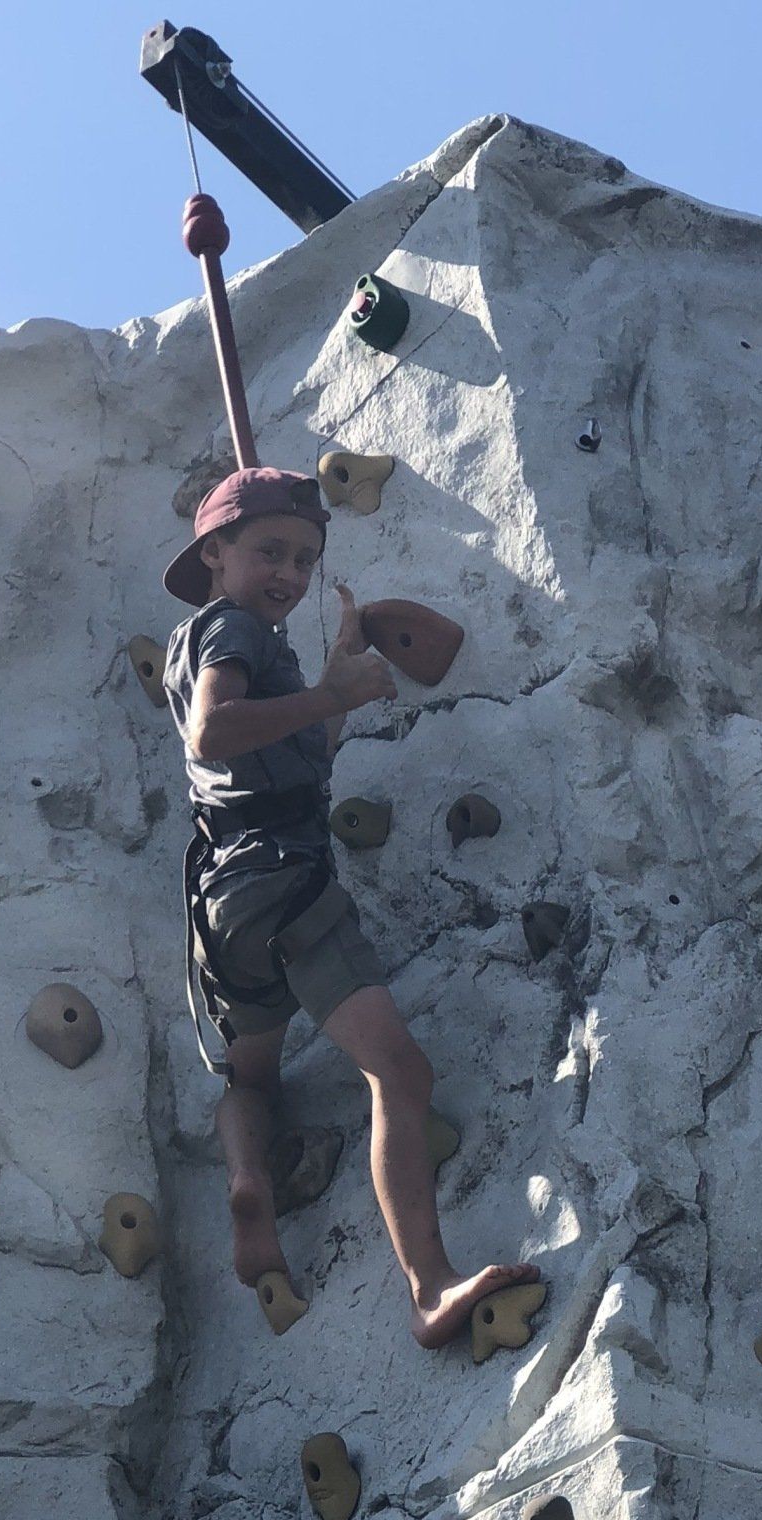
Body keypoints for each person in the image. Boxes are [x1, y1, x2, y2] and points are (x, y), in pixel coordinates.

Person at [161, 467, 536, 1347]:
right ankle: (429, 1285)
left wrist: (327, 693)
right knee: (398, 1072)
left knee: (251, 1078)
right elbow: (213, 729)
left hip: (225, 908)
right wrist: (331, 694)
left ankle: (249, 1177)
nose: (288, 572)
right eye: (268, 552)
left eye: (306, 556)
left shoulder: (213, 639)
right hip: (285, 883)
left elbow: (282, 752)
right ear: (214, 554)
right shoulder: (232, 628)